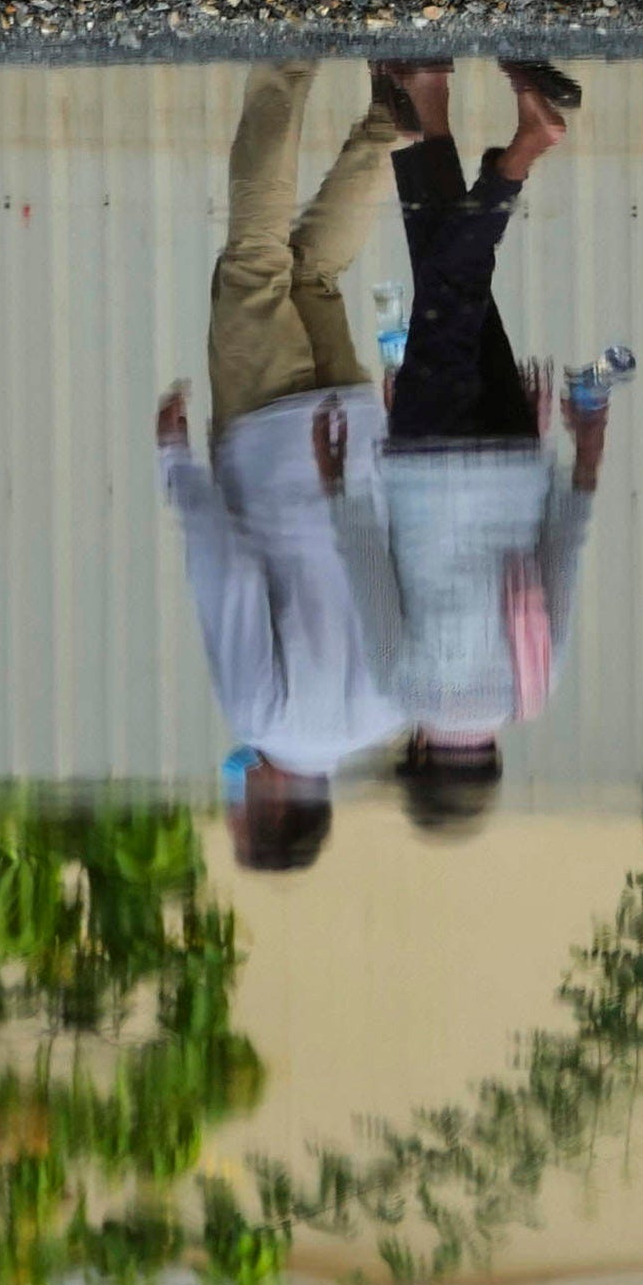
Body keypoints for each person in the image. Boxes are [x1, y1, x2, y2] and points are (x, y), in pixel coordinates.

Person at [337, 60, 601, 837]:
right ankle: (520, 152)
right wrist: (336, 482)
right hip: (429, 461)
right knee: (450, 287)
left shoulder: (532, 689)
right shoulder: (404, 690)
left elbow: (562, 556)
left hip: (515, 456)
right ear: (419, 755)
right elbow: (366, 565)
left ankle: (426, 101)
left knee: (452, 281)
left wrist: (582, 454)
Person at [163, 62, 408, 871]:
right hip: (268, 447)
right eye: (238, 813)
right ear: (267, 808)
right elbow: (228, 577)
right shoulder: (261, 716)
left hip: (355, 438)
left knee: (312, 274)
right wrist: (176, 468)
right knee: (255, 258)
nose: (230, 797)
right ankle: (286, 62)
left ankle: (389, 127)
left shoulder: (389, 711)